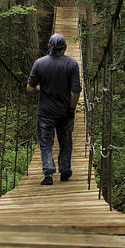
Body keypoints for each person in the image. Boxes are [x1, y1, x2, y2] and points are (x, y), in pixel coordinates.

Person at [26, 33, 82, 185]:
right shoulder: (72, 64)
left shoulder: (39, 63)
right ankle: (65, 171)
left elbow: (29, 89)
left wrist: (40, 89)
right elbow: (76, 91)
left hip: (45, 113)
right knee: (66, 142)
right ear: (65, 47)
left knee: (46, 143)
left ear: (49, 46)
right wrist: (71, 109)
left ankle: (49, 174)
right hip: (65, 112)